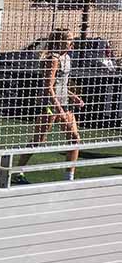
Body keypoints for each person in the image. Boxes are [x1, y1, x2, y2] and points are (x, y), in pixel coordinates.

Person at [13, 28, 83, 183]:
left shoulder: (67, 58)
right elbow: (48, 87)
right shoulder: (53, 59)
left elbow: (61, 84)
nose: (72, 42)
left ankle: (69, 177)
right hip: (50, 105)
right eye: (69, 39)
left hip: (64, 104)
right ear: (60, 41)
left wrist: (73, 96)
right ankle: (18, 172)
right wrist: (58, 109)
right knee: (38, 140)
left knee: (74, 139)